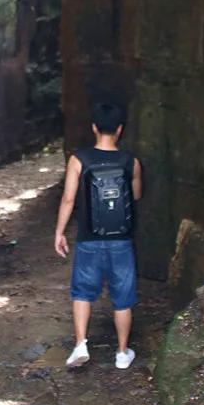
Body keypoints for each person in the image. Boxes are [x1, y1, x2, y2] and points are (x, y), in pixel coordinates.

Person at [54, 101, 143, 370]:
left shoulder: (79, 159)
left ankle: (81, 344)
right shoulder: (131, 162)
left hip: (88, 238)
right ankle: (122, 352)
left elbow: (69, 198)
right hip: (121, 239)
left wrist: (59, 231)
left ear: (94, 128)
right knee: (123, 298)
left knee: (82, 292)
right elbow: (136, 196)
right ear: (119, 129)